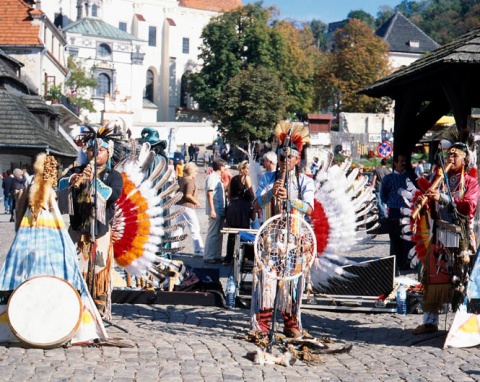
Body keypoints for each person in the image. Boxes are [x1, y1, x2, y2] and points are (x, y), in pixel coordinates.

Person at [250, 123, 314, 339]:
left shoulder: (305, 181)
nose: (285, 161)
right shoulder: (268, 178)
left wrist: (291, 199)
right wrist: (271, 195)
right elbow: (256, 204)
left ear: (297, 159)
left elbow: (309, 207)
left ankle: (290, 321)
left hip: (294, 238)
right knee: (267, 278)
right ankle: (264, 321)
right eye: (282, 157)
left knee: (290, 279)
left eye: (290, 157)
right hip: (270, 237)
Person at [412, 140, 479, 334]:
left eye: (454, 155)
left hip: (461, 236)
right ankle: (430, 322)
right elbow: (434, 209)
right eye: (448, 155)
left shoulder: (471, 182)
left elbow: (469, 206)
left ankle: (462, 324)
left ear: (464, 159)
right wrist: (424, 204)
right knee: (432, 277)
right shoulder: (439, 179)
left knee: (461, 279)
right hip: (440, 235)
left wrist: (442, 198)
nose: (450, 159)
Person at [58, 130, 123, 319]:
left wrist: (94, 180)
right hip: (77, 228)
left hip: (100, 230)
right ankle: (74, 305)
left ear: (108, 153)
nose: (94, 153)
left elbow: (113, 195)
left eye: (100, 150)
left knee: (98, 269)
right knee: (75, 267)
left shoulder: (113, 175)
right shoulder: (76, 171)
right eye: (91, 150)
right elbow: (60, 186)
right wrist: (73, 180)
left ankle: (98, 309)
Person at [380, 154, 415, 273]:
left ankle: (406, 262)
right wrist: (392, 203)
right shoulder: (388, 178)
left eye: (404, 161)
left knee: (408, 238)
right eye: (401, 161)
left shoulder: (409, 177)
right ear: (395, 163)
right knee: (395, 239)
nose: (403, 163)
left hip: (408, 212)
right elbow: (383, 195)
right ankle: (398, 264)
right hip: (394, 212)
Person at [224, 160, 255, 265]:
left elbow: (229, 195)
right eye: (247, 169)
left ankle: (228, 258)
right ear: (242, 169)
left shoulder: (233, 179)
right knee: (244, 233)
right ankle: (246, 258)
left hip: (233, 206)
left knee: (232, 234)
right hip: (242, 208)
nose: (248, 171)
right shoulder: (246, 178)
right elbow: (251, 195)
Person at [175, 162, 204, 257]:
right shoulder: (190, 181)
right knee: (195, 228)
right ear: (191, 172)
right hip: (187, 206)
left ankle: (172, 248)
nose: (196, 174)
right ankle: (198, 250)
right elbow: (188, 195)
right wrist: (196, 202)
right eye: (195, 172)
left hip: (178, 205)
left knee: (179, 228)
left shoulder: (182, 179)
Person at [204, 158, 226, 264]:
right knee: (213, 232)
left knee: (219, 233)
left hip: (220, 209)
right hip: (215, 208)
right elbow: (210, 193)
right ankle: (208, 255)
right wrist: (212, 209)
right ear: (220, 167)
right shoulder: (212, 177)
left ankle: (216, 254)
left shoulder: (217, 177)